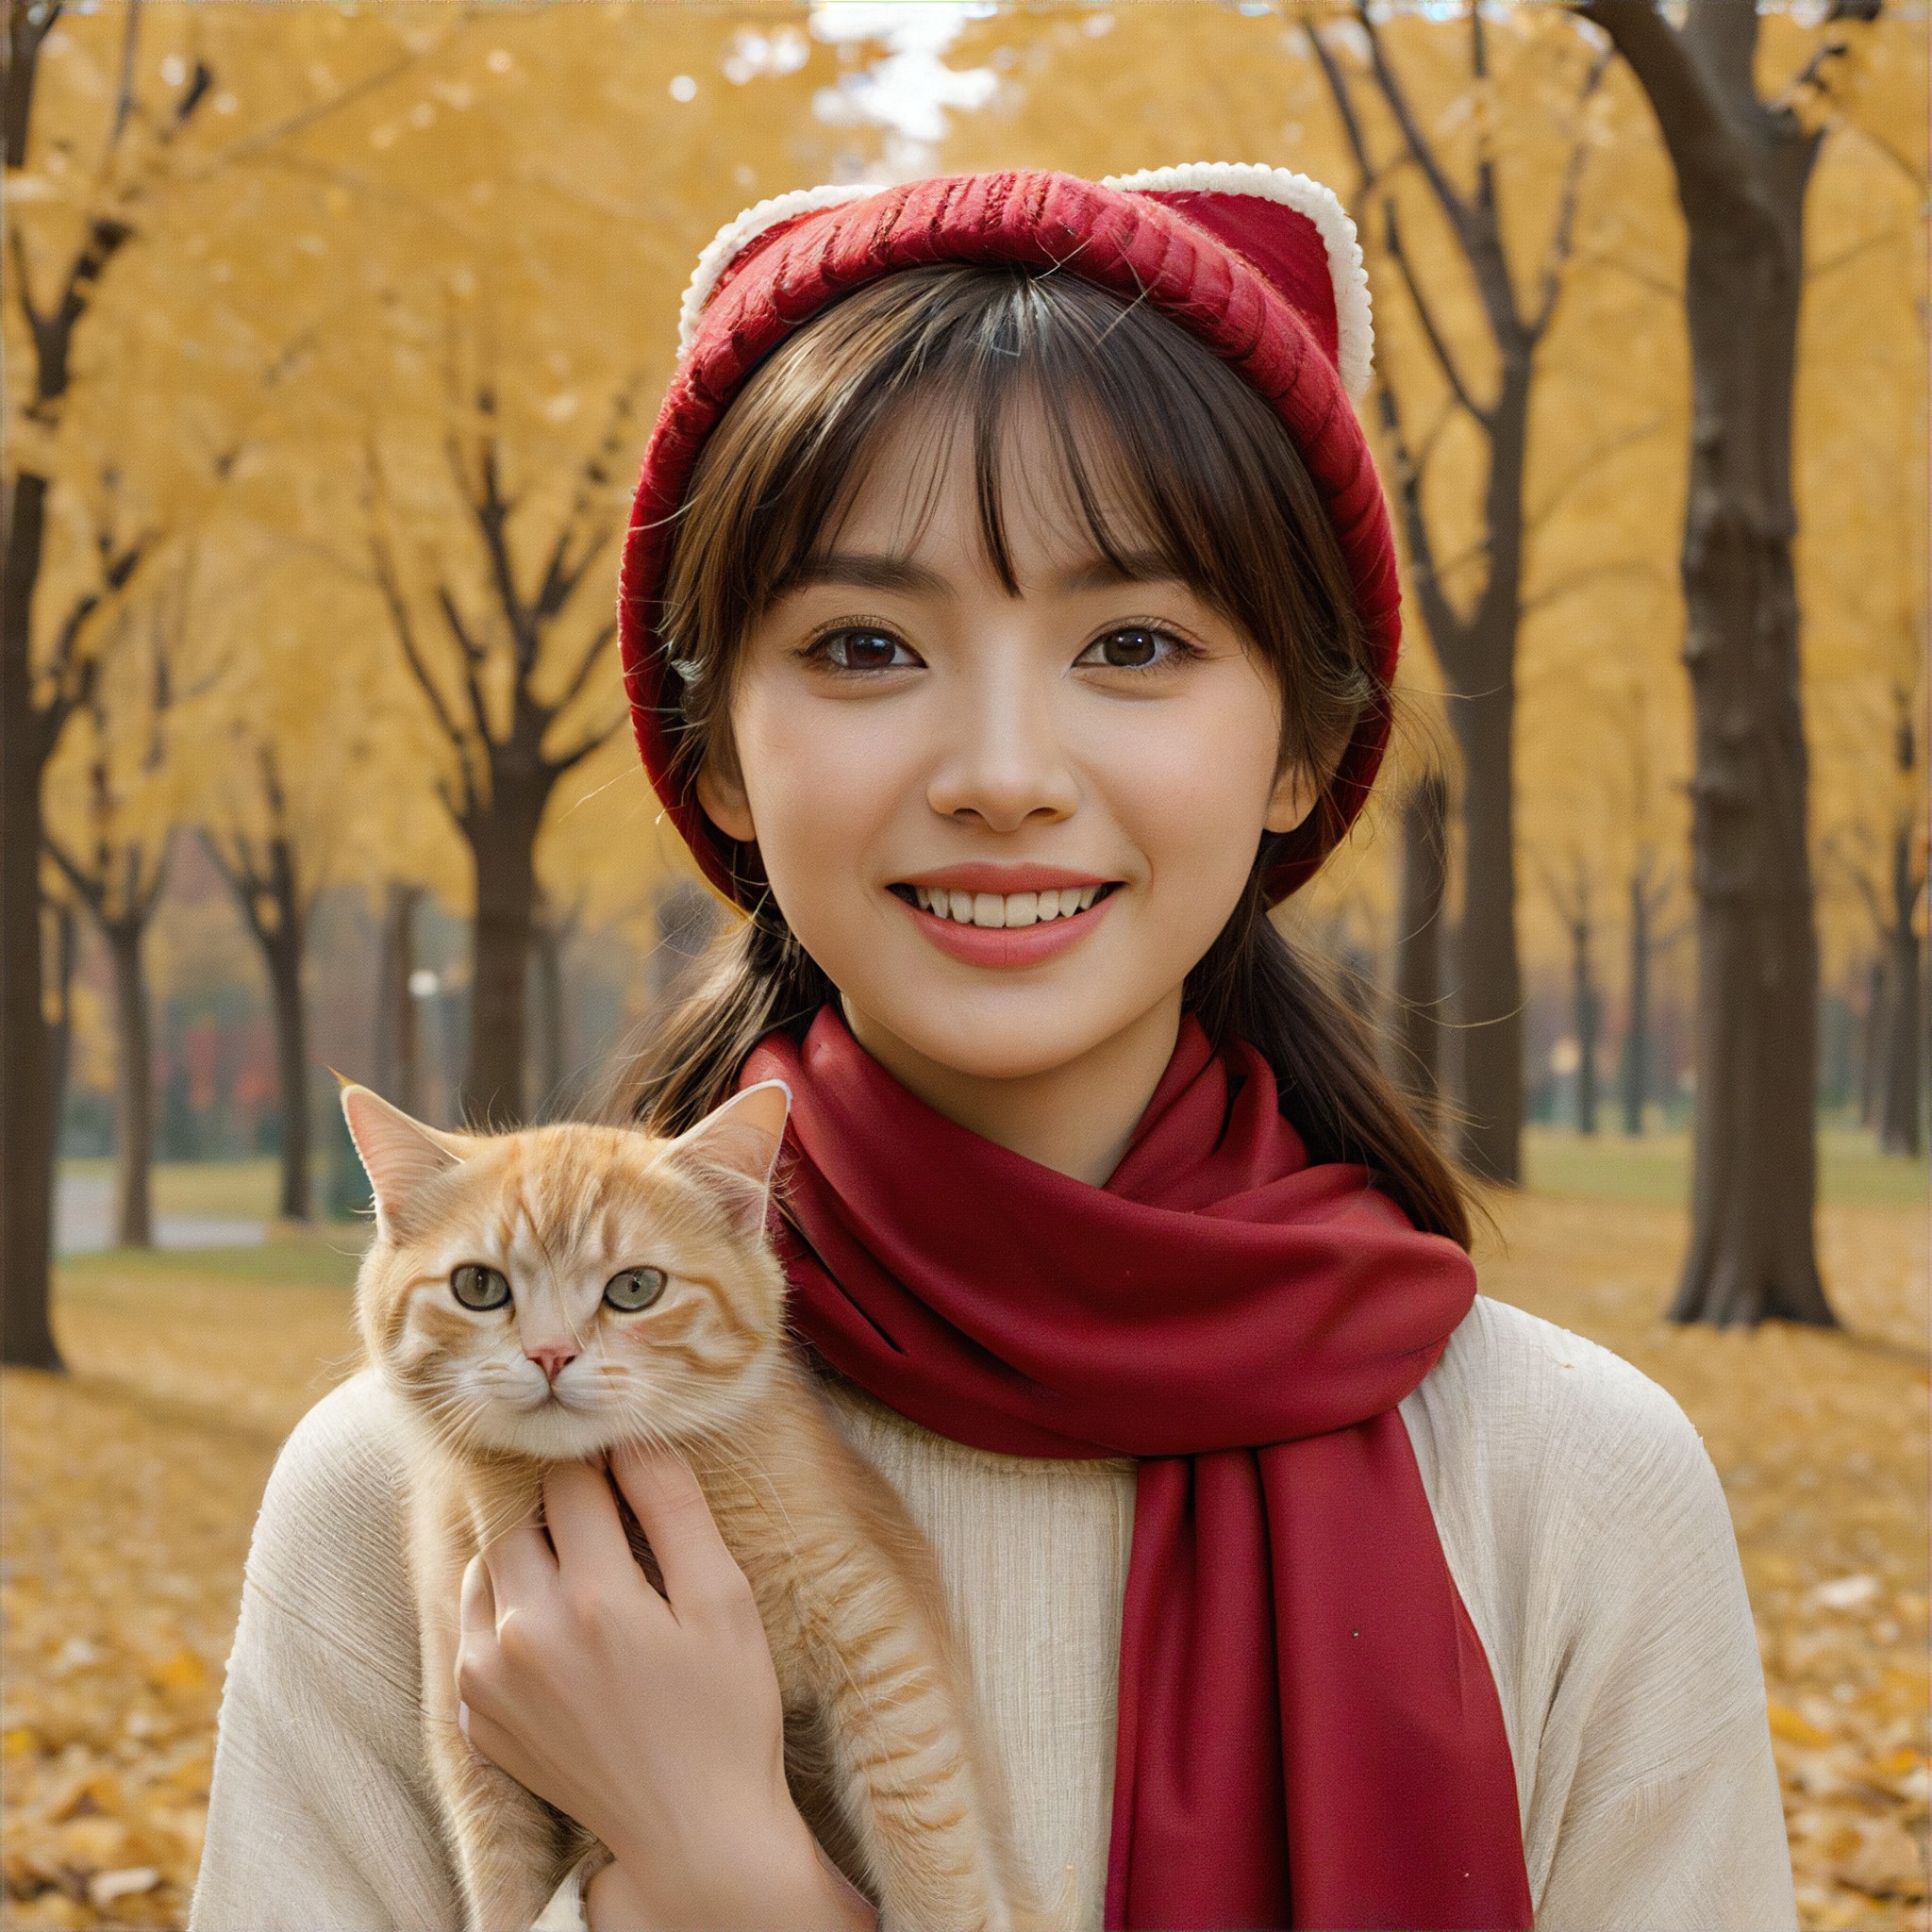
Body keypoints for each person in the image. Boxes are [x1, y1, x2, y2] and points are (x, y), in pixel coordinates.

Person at [191, 167, 1795, 1932]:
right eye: (866, 644)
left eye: (1135, 642)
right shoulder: (412, 1496)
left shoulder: (1566, 1485)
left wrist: (737, 1884)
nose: (1003, 770)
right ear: (717, 751)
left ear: (1298, 752)